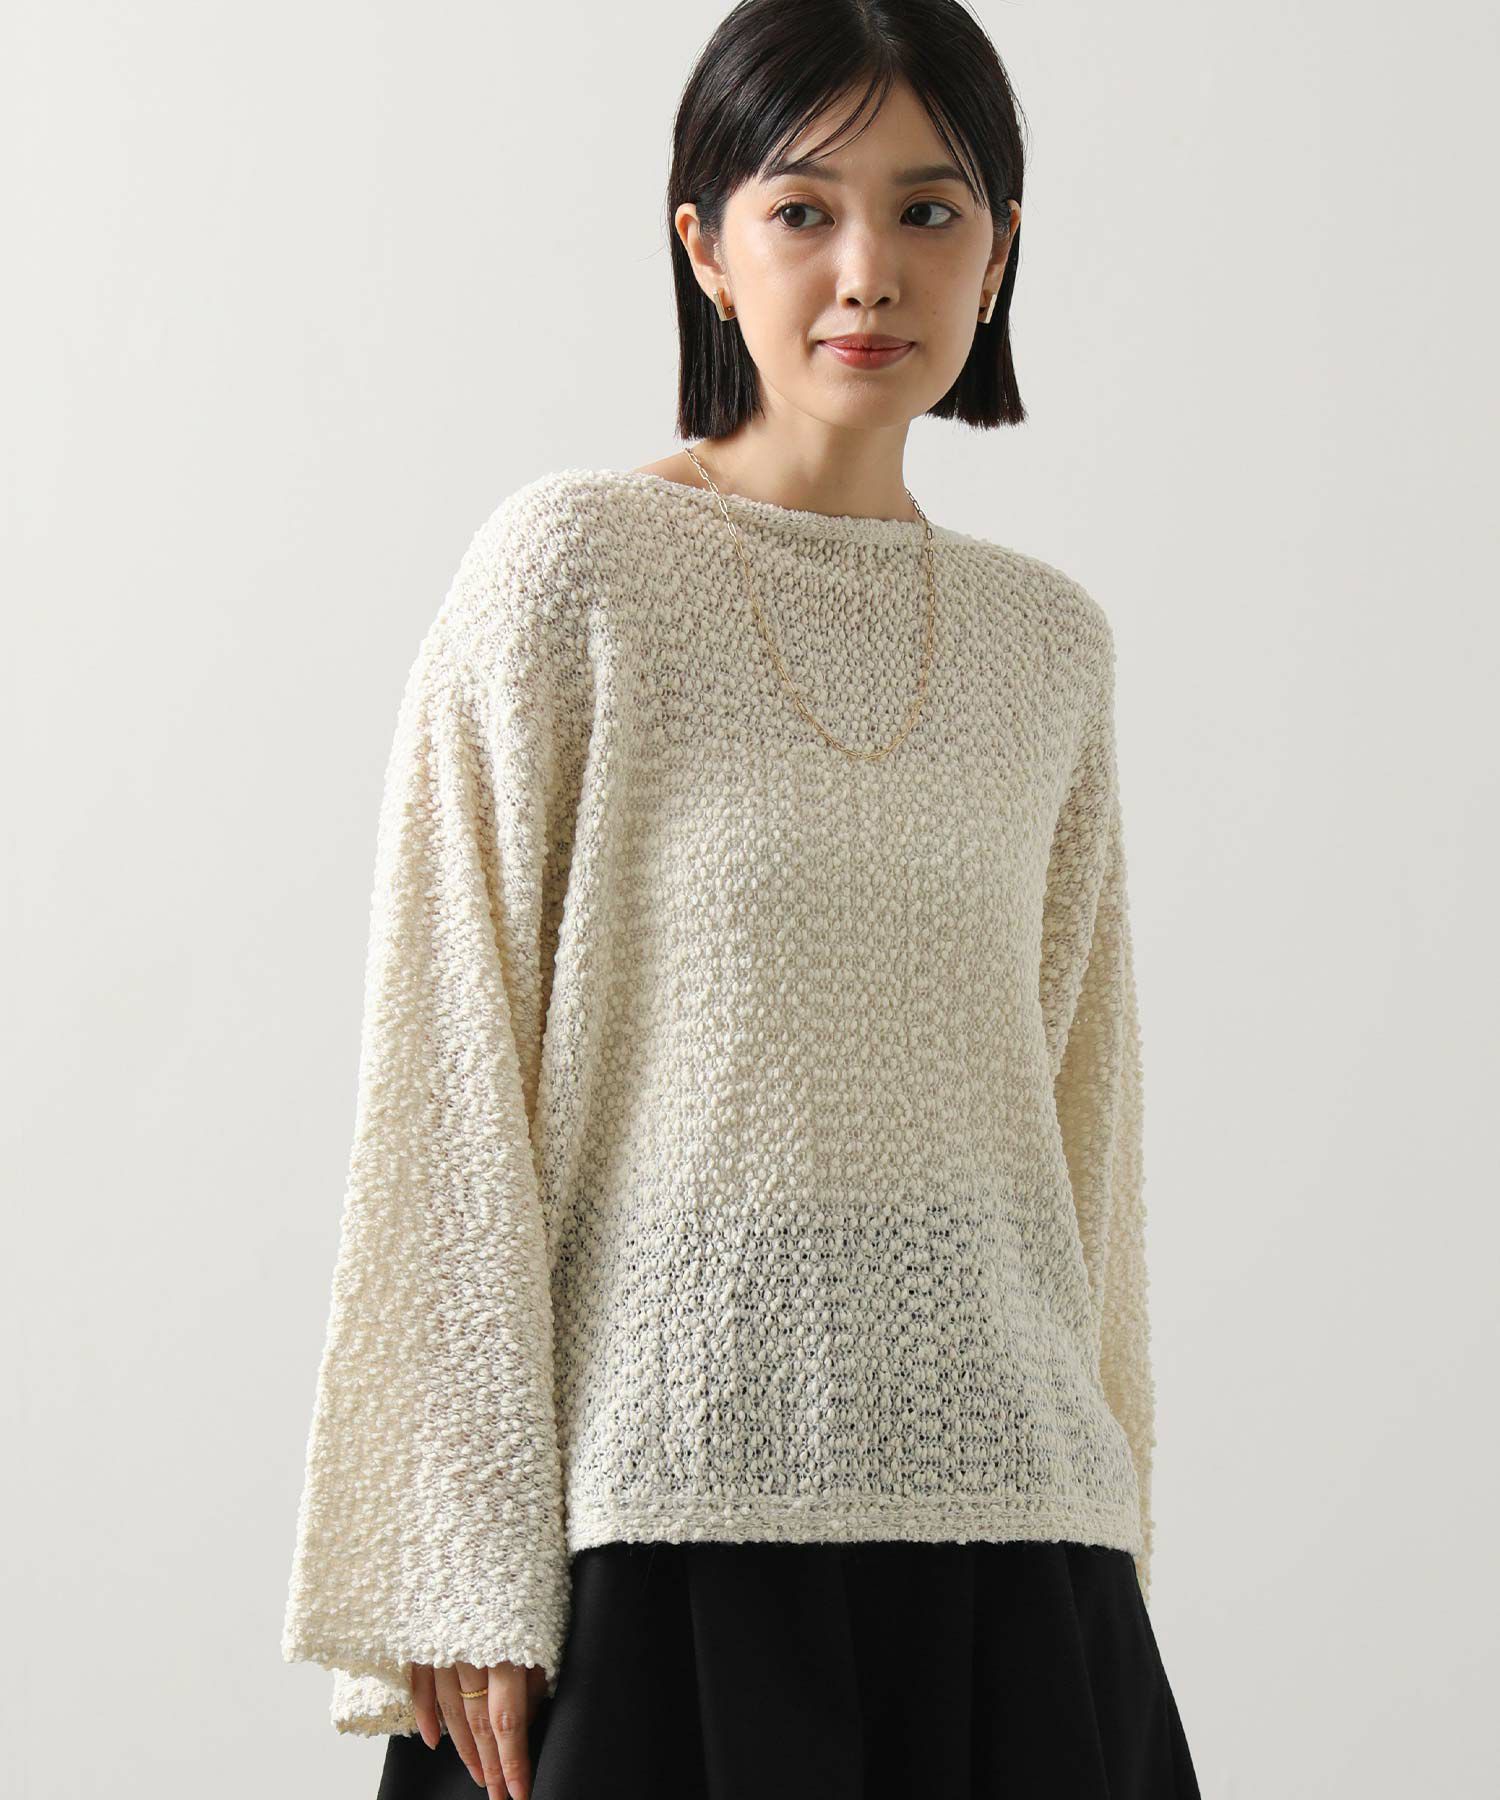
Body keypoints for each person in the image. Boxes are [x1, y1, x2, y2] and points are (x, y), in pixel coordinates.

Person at [281, 2, 1202, 1795]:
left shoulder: (1047, 648)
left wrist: (1112, 1518)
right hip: (665, 1513)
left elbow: (1084, 1130)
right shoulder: (571, 575)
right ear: (704, 247)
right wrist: (457, 1556)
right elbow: (446, 1075)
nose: (870, 272)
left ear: (1000, 249)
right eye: (803, 210)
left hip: (1007, 1524)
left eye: (930, 210)